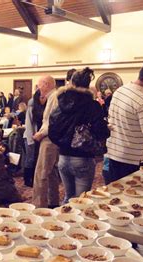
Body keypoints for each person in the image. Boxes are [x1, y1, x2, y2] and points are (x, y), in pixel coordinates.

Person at [49, 67, 110, 203]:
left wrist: (64, 143)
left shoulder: (60, 104)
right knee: (81, 201)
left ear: (72, 83)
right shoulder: (92, 106)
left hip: (63, 157)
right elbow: (100, 131)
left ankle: (63, 222)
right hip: (83, 158)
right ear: (88, 85)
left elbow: (52, 131)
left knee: (67, 197)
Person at [32, 76, 60, 208]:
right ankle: (53, 202)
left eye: (39, 85)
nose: (38, 89)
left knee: (41, 174)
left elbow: (51, 120)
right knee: (52, 173)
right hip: (55, 138)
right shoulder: (55, 96)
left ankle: (39, 207)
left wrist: (40, 134)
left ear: (46, 84)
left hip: (49, 139)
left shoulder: (54, 97)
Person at [23, 89, 44, 187]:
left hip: (40, 137)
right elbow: (29, 125)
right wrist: (31, 139)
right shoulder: (31, 108)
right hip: (30, 136)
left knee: (37, 159)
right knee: (30, 159)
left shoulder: (45, 107)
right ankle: (27, 179)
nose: (43, 99)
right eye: (42, 97)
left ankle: (35, 179)